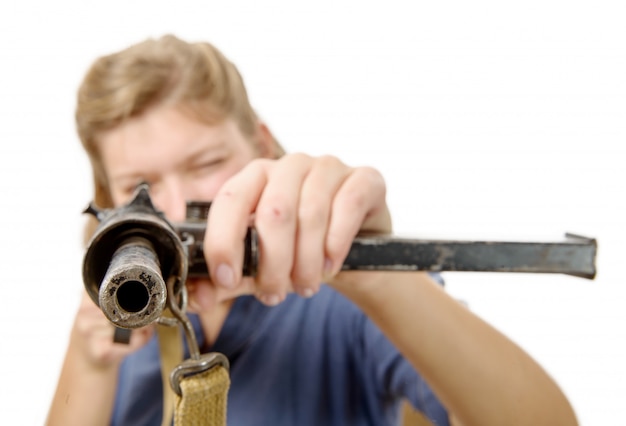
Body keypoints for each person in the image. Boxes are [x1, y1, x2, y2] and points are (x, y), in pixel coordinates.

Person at [46, 34, 578, 426]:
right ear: (108, 201)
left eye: (206, 162)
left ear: (261, 145)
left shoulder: (334, 302)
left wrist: (372, 276)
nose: (176, 201)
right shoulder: (119, 313)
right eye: (140, 183)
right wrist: (90, 364)